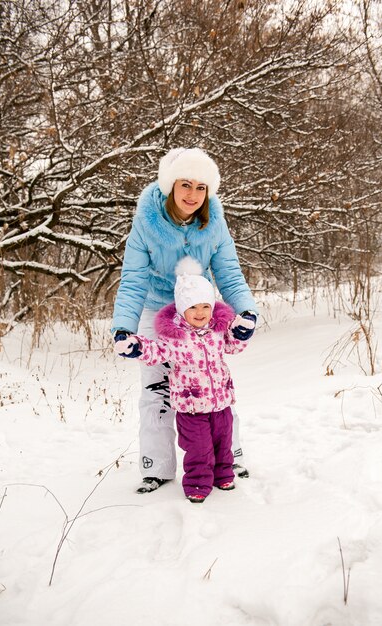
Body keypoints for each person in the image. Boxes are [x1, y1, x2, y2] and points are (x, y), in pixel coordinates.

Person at [112, 147, 258, 493]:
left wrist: (246, 310)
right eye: (186, 185)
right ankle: (157, 466)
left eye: (201, 187)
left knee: (214, 380)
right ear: (170, 185)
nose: (193, 195)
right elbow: (133, 278)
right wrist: (124, 328)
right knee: (156, 387)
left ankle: (229, 454)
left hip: (198, 309)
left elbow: (228, 272)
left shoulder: (215, 223)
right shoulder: (146, 223)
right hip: (156, 307)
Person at [114, 257, 256, 502]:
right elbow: (157, 352)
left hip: (220, 401)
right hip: (191, 407)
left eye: (204, 306)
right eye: (192, 307)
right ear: (181, 309)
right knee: (199, 449)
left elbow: (233, 346)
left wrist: (241, 332)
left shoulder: (217, 330)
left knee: (223, 442)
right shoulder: (175, 337)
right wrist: (135, 346)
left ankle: (223, 475)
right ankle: (197, 484)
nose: (200, 313)